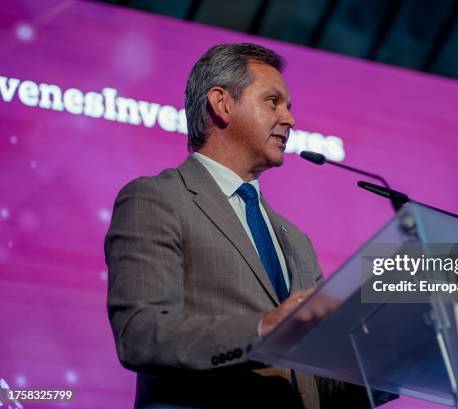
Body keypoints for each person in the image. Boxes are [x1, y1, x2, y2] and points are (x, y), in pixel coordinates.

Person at [105, 43, 389, 409]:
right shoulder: (156, 199)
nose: (290, 119)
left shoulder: (297, 241)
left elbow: (312, 382)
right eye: (273, 101)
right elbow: (141, 334)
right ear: (222, 103)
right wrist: (264, 328)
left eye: (288, 107)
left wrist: (385, 361)